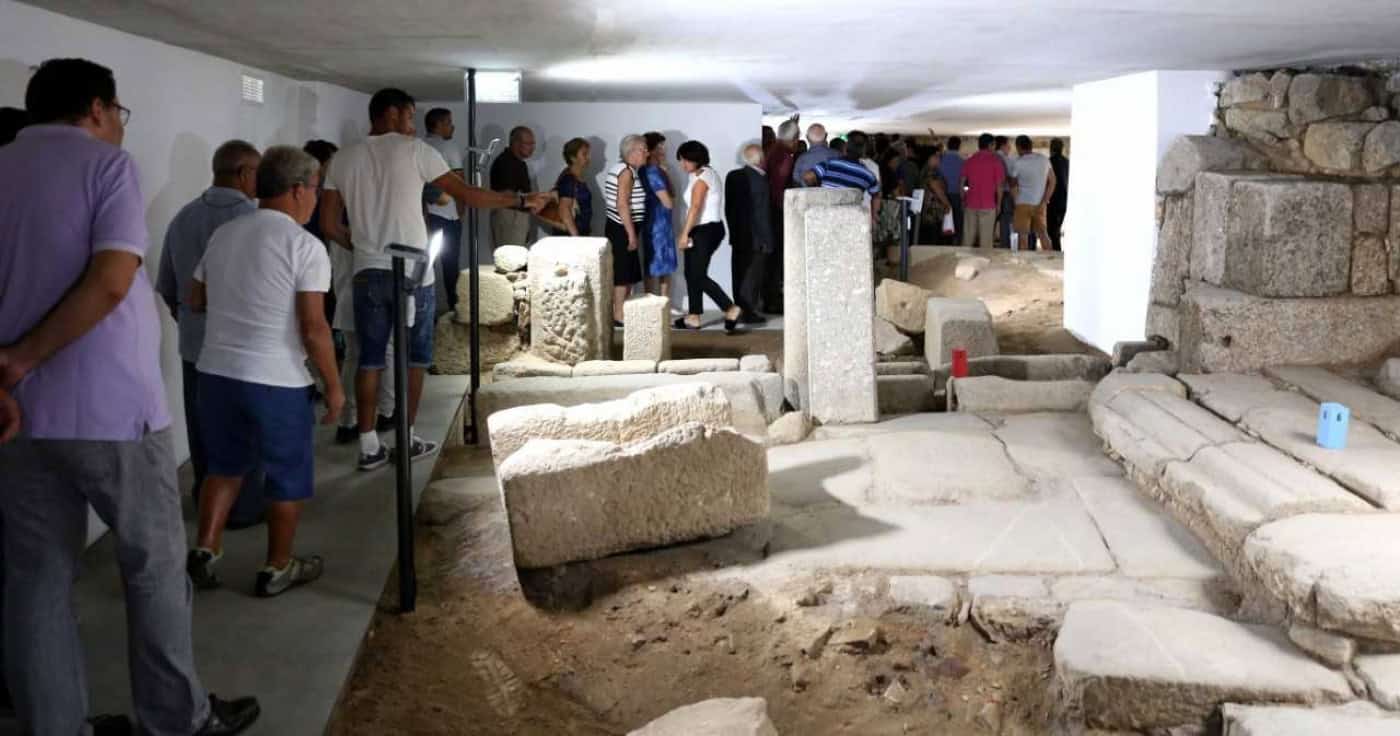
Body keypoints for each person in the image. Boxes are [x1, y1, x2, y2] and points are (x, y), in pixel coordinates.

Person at [0, 57, 259, 736]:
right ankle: (176, 720)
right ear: (95, 109)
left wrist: (10, 368)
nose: (118, 124)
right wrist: (27, 353)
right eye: (118, 111)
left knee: (34, 581)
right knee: (153, 567)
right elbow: (114, 278)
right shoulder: (107, 167)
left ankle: (55, 727)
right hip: (111, 408)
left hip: (16, 412)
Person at [319, 88, 548, 471]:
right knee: (414, 358)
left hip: (367, 270)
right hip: (411, 270)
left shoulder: (343, 158)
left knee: (370, 359)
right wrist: (521, 201)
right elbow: (469, 196)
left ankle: (368, 444)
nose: (413, 126)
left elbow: (328, 223)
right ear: (392, 114)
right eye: (410, 117)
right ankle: (406, 439)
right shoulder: (418, 152)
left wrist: (363, 248)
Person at [185, 146, 341, 599]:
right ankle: (277, 566)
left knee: (225, 466)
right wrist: (334, 388)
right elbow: (314, 329)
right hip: (275, 379)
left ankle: (205, 550)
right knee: (286, 476)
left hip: (215, 372)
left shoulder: (225, 234)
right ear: (297, 189)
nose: (316, 198)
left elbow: (196, 299)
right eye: (315, 189)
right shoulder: (304, 246)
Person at [155, 140, 268, 528]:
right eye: (258, 173)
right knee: (244, 431)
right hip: (243, 349)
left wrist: (192, 323)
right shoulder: (254, 220)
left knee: (203, 429)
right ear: (243, 173)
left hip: (194, 347)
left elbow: (168, 288)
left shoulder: (182, 218)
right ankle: (245, 508)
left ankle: (207, 503)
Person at [304, 140, 397, 445]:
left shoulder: (340, 214)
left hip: (347, 289)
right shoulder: (346, 217)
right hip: (357, 288)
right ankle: (383, 411)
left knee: (360, 357)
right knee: (378, 353)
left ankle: (354, 419)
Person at [674, 141, 741, 332]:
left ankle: (730, 308)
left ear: (697, 159)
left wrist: (684, 234)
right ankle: (693, 317)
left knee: (697, 275)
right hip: (703, 229)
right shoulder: (697, 175)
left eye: (686, 160)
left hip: (706, 230)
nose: (682, 164)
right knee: (692, 273)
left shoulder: (704, 177)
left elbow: (695, 208)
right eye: (681, 160)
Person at [724, 144, 774, 323]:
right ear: (760, 159)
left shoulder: (733, 176)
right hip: (756, 237)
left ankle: (739, 309)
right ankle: (748, 312)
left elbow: (729, 209)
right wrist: (767, 239)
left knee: (739, 273)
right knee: (753, 276)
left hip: (738, 236)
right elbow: (761, 214)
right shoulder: (760, 180)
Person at [422, 108, 465, 311]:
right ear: (438, 125)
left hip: (424, 216)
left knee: (425, 266)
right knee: (450, 267)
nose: (452, 126)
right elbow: (459, 182)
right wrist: (461, 211)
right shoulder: (449, 147)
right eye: (448, 122)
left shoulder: (419, 147)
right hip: (447, 215)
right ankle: (454, 310)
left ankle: (425, 312)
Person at [603, 134, 648, 324]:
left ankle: (620, 312)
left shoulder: (624, 169)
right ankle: (618, 314)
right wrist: (631, 235)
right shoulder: (626, 172)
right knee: (622, 273)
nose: (647, 153)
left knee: (627, 271)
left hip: (622, 227)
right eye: (643, 149)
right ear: (632, 151)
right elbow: (622, 205)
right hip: (622, 229)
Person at [802, 131, 881, 223]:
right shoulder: (868, 175)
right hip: (851, 220)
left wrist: (818, 189)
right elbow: (876, 196)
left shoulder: (830, 164)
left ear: (845, 147)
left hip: (826, 216)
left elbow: (807, 177)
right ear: (863, 150)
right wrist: (874, 216)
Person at [640, 132, 678, 296]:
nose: (664, 150)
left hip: (657, 222)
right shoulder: (651, 172)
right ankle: (660, 303)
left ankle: (658, 303)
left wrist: (665, 170)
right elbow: (669, 202)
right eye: (660, 147)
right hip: (658, 224)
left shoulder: (653, 170)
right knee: (659, 264)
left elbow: (673, 193)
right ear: (651, 149)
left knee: (658, 264)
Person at [489, 125, 536, 248]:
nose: (532, 148)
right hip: (510, 218)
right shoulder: (505, 163)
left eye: (533, 144)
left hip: (517, 218)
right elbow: (506, 195)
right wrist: (533, 200)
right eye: (528, 143)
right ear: (515, 142)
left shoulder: (519, 163)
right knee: (511, 259)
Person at [1009, 135, 1056, 253]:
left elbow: (1013, 184)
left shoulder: (1018, 163)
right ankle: (1050, 260)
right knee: (1043, 234)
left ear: (1018, 147)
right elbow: (1053, 181)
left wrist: (1015, 200)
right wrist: (1045, 200)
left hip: (1022, 203)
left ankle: (1024, 265)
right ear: (1031, 146)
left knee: (1023, 236)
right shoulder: (1044, 160)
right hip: (1040, 203)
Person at [960, 133, 1005, 249]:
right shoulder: (996, 162)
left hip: (970, 204)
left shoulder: (969, 161)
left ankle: (964, 264)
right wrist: (999, 204)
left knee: (967, 239)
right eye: (994, 145)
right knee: (986, 241)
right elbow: (999, 186)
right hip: (988, 205)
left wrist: (963, 198)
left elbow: (961, 183)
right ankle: (984, 265)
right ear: (990, 145)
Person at [554, 137, 593, 236]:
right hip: (570, 238)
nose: (588, 157)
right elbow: (564, 210)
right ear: (573, 157)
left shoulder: (576, 177)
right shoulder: (569, 179)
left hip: (579, 233)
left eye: (588, 153)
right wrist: (576, 238)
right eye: (584, 154)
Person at [917, 151, 954, 245]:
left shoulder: (924, 170)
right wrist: (947, 203)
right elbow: (936, 187)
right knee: (934, 240)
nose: (939, 159)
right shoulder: (931, 172)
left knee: (929, 239)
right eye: (936, 157)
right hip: (933, 212)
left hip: (927, 211)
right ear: (930, 158)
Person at [940, 136, 966, 243]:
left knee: (943, 219)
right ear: (959, 146)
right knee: (957, 220)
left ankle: (943, 241)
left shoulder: (941, 158)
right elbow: (964, 181)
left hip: (942, 193)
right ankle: (956, 241)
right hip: (956, 193)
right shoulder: (962, 161)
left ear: (948, 145)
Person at [1047, 138, 1070, 251]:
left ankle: (1056, 253)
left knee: (1051, 230)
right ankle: (1056, 251)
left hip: (1052, 200)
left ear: (1051, 148)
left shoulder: (1049, 162)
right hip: (1065, 200)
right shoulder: (1067, 162)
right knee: (1056, 228)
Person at [995, 135, 1015, 248]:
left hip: (991, 193)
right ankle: (1005, 246)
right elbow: (1010, 177)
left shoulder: (993, 157)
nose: (1009, 147)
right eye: (1008, 145)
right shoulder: (1005, 159)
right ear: (1002, 146)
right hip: (1006, 193)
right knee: (1005, 221)